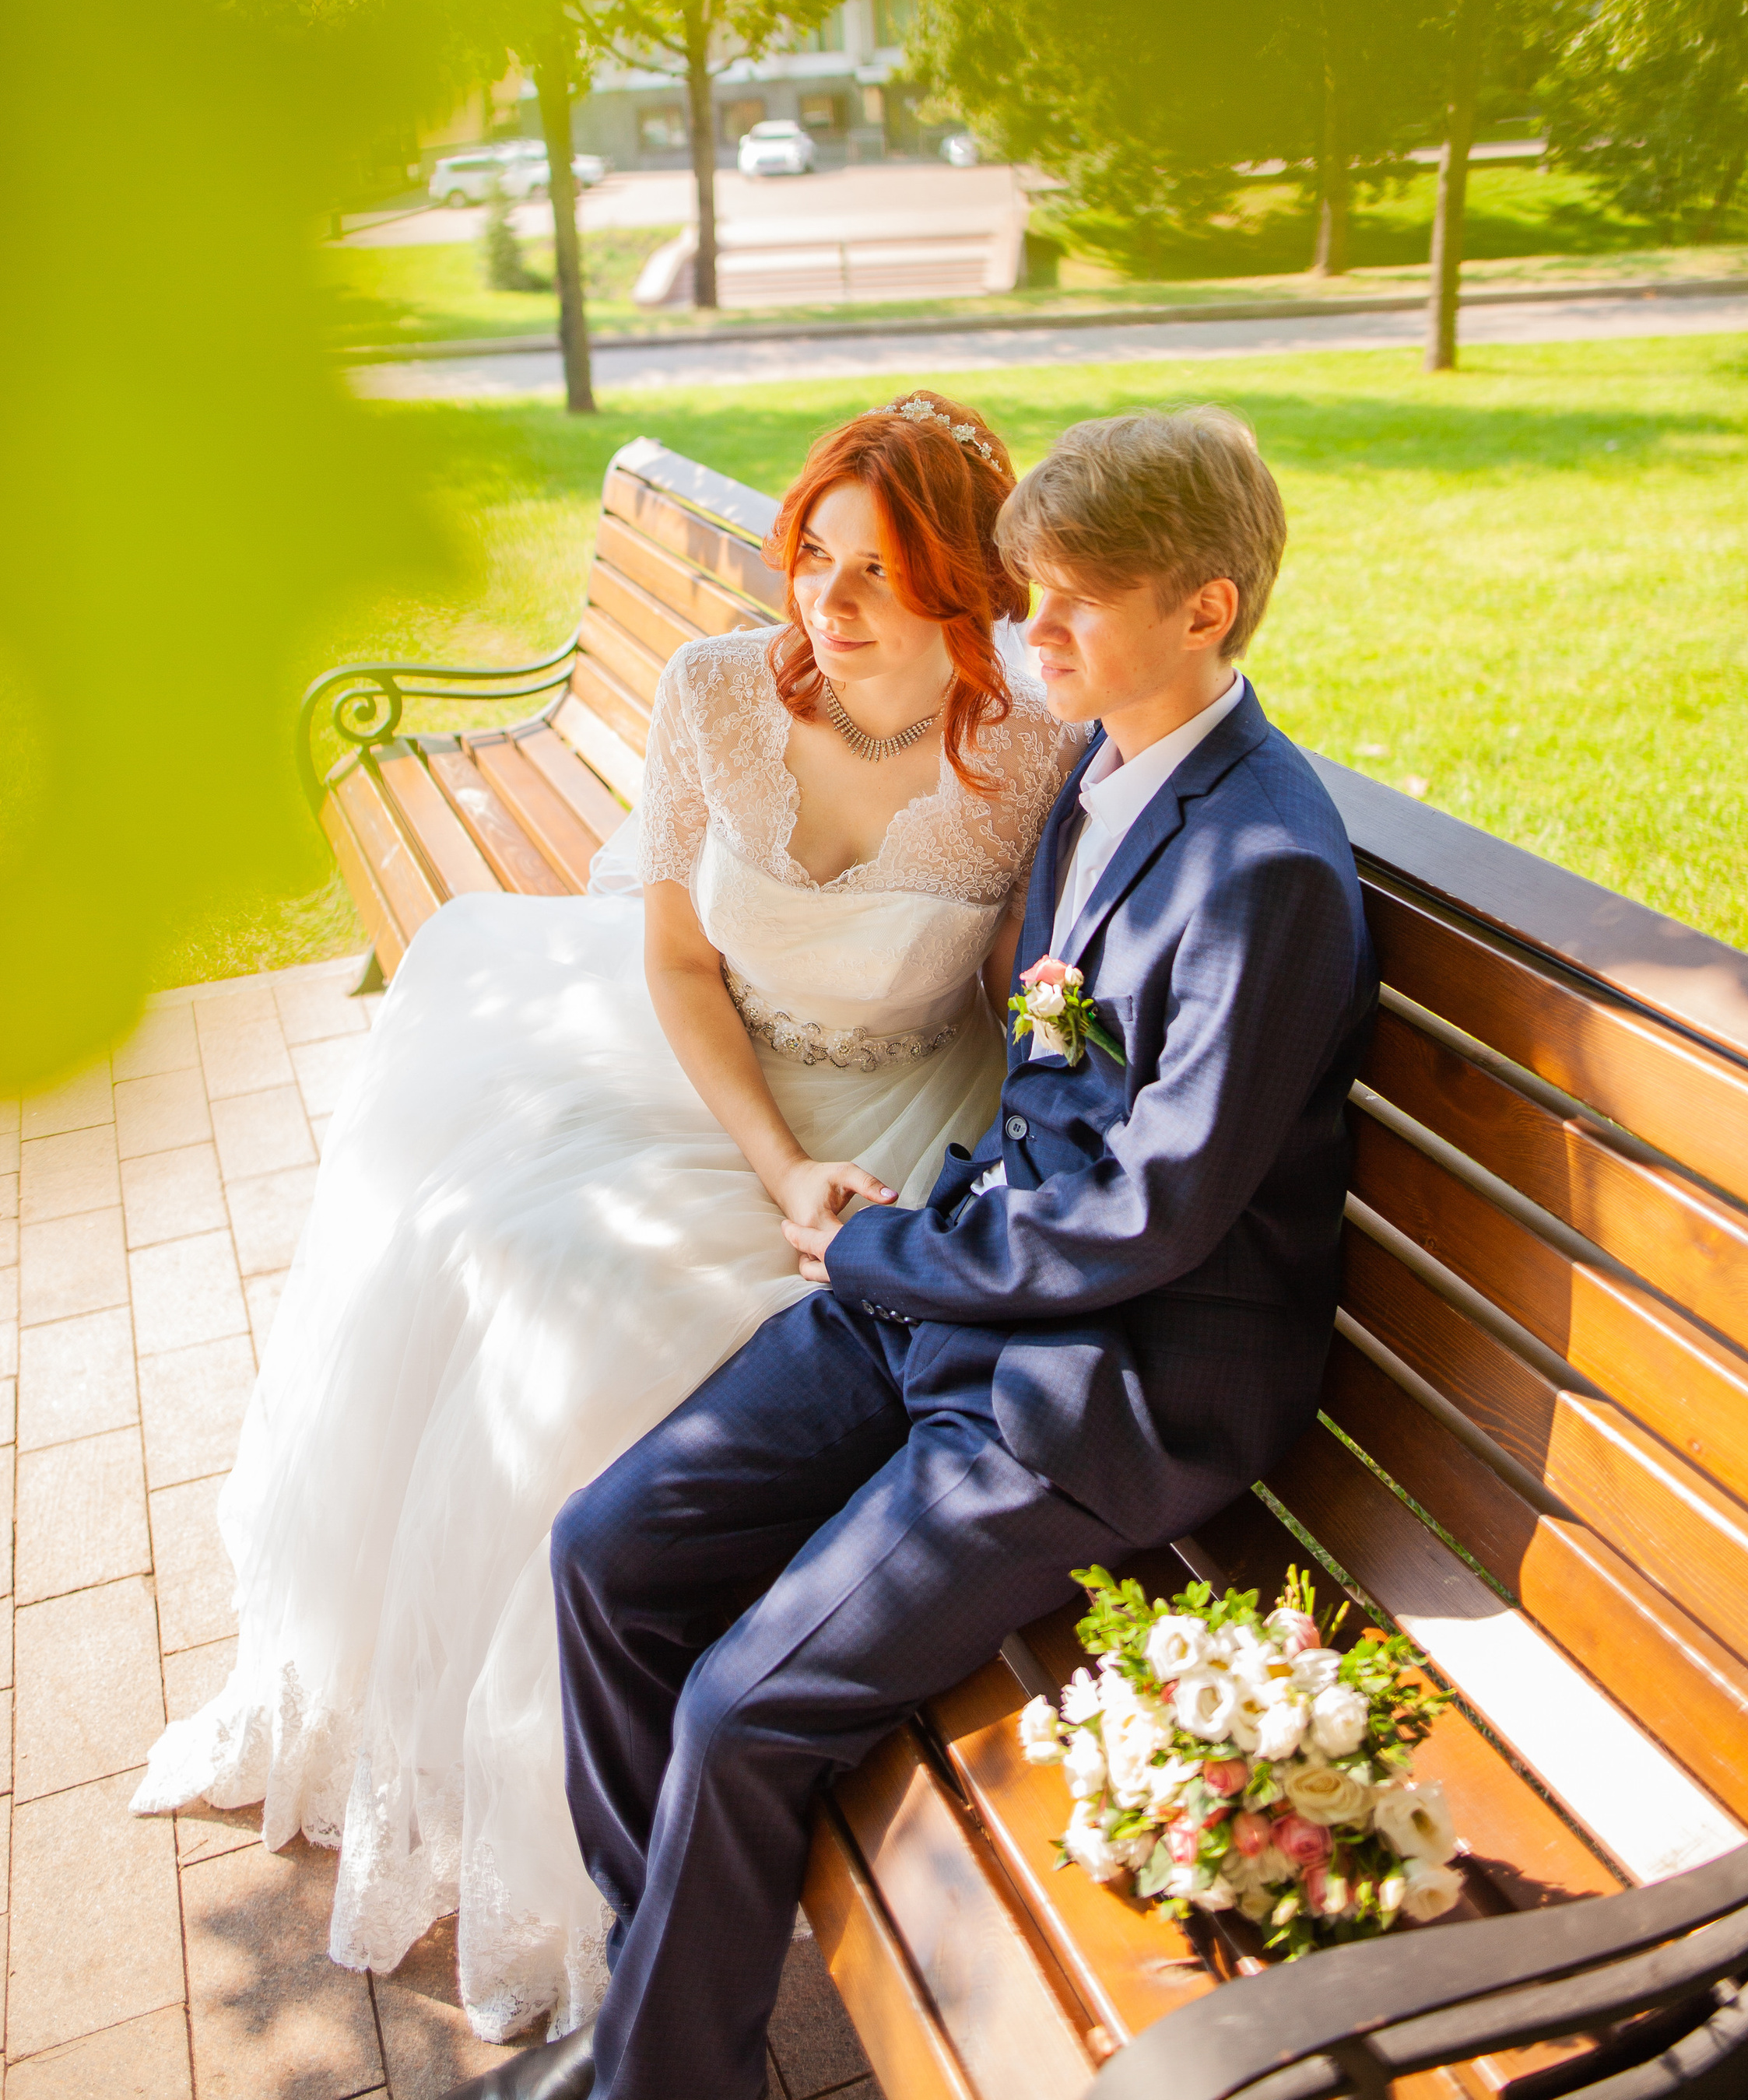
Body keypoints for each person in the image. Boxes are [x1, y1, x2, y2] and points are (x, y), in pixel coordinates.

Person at [132, 391, 1077, 2044]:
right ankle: (580, 1855)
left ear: (967, 595)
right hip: (708, 1079)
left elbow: (1034, 991)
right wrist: (778, 1168)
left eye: (877, 573)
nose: (824, 606)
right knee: (534, 1270)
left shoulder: (1029, 758)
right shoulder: (719, 695)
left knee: (629, 1353)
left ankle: (659, 1884)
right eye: (810, 557)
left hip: (907, 1118)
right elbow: (678, 963)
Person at [503, 404, 1377, 2100]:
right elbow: (1044, 1081)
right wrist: (889, 1234)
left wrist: (889, 1254)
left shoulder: (1261, 867)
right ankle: (672, 2031)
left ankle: (653, 2083)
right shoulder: (1105, 772)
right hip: (976, 1288)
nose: (1023, 634)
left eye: (1062, 605)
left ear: (1204, 609)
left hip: (1120, 1386)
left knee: (743, 1710)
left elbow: (1153, 1214)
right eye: (1021, 595)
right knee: (605, 1557)